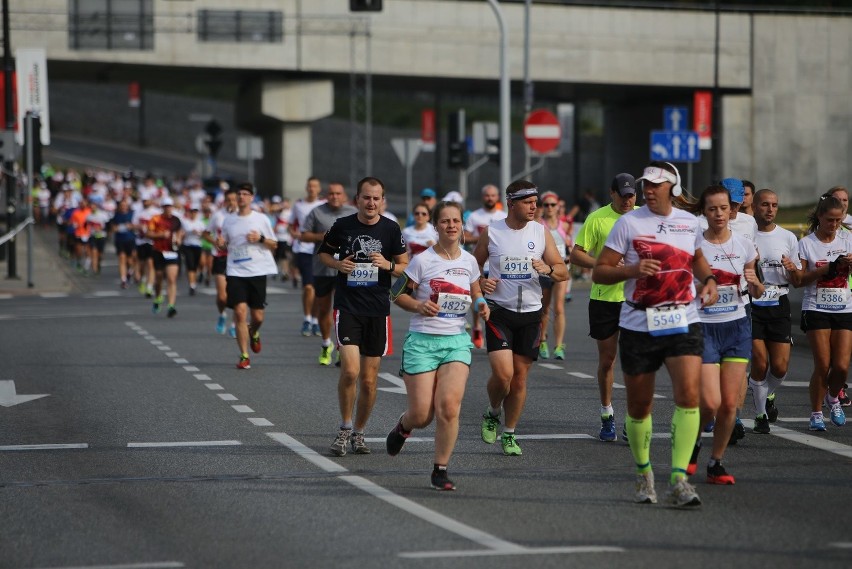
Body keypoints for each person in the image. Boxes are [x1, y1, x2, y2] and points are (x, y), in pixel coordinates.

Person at [592, 161, 718, 508]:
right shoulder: (629, 223)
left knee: (689, 396)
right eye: (645, 183)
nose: (648, 189)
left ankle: (679, 479)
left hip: (683, 318)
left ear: (672, 189)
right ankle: (644, 473)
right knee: (639, 405)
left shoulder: (689, 222)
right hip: (639, 323)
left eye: (656, 185)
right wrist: (632, 269)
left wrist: (708, 281)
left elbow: (697, 259)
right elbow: (600, 272)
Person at [386, 200, 490, 491]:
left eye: (456, 221)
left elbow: (476, 290)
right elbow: (395, 294)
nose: (452, 226)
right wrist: (418, 306)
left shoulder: (469, 261)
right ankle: (404, 426)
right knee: (422, 414)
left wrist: (481, 304)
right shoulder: (422, 260)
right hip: (422, 342)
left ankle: (440, 469)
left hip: (456, 342)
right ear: (436, 226)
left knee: (448, 408)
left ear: (462, 225)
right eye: (445, 221)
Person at [475, 180, 568, 456]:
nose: (534, 207)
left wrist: (548, 268)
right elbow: (471, 265)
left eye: (536, 202)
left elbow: (563, 271)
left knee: (519, 380)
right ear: (511, 202)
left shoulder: (541, 233)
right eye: (528, 202)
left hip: (530, 314)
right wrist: (481, 281)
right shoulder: (492, 232)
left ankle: (510, 433)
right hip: (500, 313)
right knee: (503, 375)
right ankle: (493, 412)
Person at [318, 176, 408, 456]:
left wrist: (388, 264)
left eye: (376, 198)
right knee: (350, 371)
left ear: (383, 201)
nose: (371, 203)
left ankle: (360, 431)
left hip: (378, 310)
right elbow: (323, 253)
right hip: (348, 307)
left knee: (369, 380)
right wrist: (337, 264)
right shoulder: (343, 226)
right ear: (356, 199)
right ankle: (344, 429)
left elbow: (404, 265)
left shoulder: (391, 228)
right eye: (366, 197)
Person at [683, 185, 763, 485]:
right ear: (704, 212)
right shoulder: (694, 246)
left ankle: (715, 463)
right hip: (704, 328)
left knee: (730, 404)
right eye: (712, 209)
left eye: (723, 208)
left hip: (737, 327)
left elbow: (755, 286)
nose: (719, 214)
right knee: (710, 403)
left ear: (732, 211)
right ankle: (693, 445)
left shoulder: (744, 245)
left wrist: (756, 286)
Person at [570, 173, 638, 441]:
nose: (627, 200)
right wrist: (601, 262)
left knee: (634, 361)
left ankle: (633, 418)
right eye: (622, 195)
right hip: (605, 299)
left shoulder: (644, 217)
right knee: (608, 361)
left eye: (631, 195)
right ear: (612, 194)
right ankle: (607, 413)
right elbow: (576, 254)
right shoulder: (597, 218)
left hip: (635, 299)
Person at [788, 194, 852, 431]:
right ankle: (816, 413)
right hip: (816, 307)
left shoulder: (848, 241)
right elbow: (799, 280)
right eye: (829, 221)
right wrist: (827, 269)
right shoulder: (806, 244)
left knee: (842, 366)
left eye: (838, 221)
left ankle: (833, 398)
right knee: (823, 364)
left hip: (844, 306)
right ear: (819, 217)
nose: (834, 225)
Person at [747, 189, 802, 431]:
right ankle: (760, 416)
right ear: (755, 207)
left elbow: (799, 278)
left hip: (779, 302)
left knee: (779, 367)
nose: (770, 209)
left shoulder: (788, 237)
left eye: (775, 205)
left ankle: (765, 393)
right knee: (759, 363)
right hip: (752, 304)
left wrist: (791, 268)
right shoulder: (745, 236)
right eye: (765, 204)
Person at [215, 182, 278, 370]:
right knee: (240, 312)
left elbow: (274, 244)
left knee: (257, 317)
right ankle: (244, 355)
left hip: (257, 271)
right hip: (235, 271)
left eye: (245, 194)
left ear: (251, 198)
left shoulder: (261, 219)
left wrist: (259, 239)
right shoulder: (228, 220)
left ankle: (254, 332)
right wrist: (220, 244)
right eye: (239, 194)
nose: (241, 197)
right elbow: (224, 243)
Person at [299, 182, 357, 366]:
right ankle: (326, 344)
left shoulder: (353, 213)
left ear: (344, 196)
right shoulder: (317, 212)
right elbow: (303, 235)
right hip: (322, 268)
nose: (335, 197)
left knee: (345, 311)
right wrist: (320, 237)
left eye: (338, 194)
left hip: (347, 268)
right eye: (331, 194)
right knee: (324, 309)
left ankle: (343, 347)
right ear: (326, 195)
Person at [464, 184, 507, 348]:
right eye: (487, 195)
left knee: (497, 299)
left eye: (493, 195)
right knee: (478, 294)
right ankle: (476, 326)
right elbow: (465, 237)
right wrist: (483, 238)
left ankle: (497, 328)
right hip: (479, 262)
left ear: (497, 197)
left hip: (498, 264)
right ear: (483, 197)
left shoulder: (503, 216)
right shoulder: (474, 216)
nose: (490, 198)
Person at [537, 191, 572, 361]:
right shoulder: (538, 225)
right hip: (544, 271)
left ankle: (559, 345)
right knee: (544, 308)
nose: (549, 208)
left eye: (553, 204)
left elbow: (571, 246)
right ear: (542, 207)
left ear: (558, 206)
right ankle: (542, 339)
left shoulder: (564, 226)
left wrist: (568, 254)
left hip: (560, 270)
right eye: (546, 205)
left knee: (559, 308)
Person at [290, 177, 326, 336]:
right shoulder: (298, 205)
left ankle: (316, 321)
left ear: (319, 189)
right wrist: (294, 234)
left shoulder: (324, 206)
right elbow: (291, 224)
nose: (312, 189)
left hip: (321, 250)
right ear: (306, 188)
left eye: (315, 186)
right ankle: (307, 318)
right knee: (308, 286)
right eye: (310, 186)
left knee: (318, 289)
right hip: (303, 249)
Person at [205, 186, 238, 336]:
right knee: (222, 296)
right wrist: (215, 242)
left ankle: (234, 324)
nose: (231, 202)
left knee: (237, 295)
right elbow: (206, 233)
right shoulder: (218, 216)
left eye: (234, 199)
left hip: (237, 258)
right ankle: (222, 314)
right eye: (228, 200)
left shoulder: (242, 216)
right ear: (224, 201)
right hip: (220, 257)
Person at [147, 197, 184, 317]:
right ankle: (158, 297)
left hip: (172, 251)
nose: (169, 208)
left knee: (171, 279)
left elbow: (180, 232)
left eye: (170, 206)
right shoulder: (156, 219)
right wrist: (161, 234)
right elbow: (148, 233)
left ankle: (171, 306)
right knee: (158, 278)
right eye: (166, 206)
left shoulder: (176, 220)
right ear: (163, 207)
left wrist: (178, 239)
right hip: (158, 251)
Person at [110, 198, 136, 289]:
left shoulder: (132, 214)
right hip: (120, 240)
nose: (123, 207)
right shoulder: (116, 216)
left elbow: (136, 225)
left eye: (125, 206)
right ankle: (123, 280)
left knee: (130, 260)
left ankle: (129, 272)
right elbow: (113, 228)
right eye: (121, 206)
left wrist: (131, 226)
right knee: (122, 258)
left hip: (130, 239)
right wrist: (116, 228)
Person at [181, 206, 206, 296]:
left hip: (198, 245)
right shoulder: (185, 222)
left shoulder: (200, 223)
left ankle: (201, 273)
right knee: (190, 266)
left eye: (195, 212)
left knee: (200, 263)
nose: (193, 213)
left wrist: (199, 233)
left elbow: (205, 234)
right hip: (188, 246)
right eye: (192, 211)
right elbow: (183, 232)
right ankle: (192, 285)